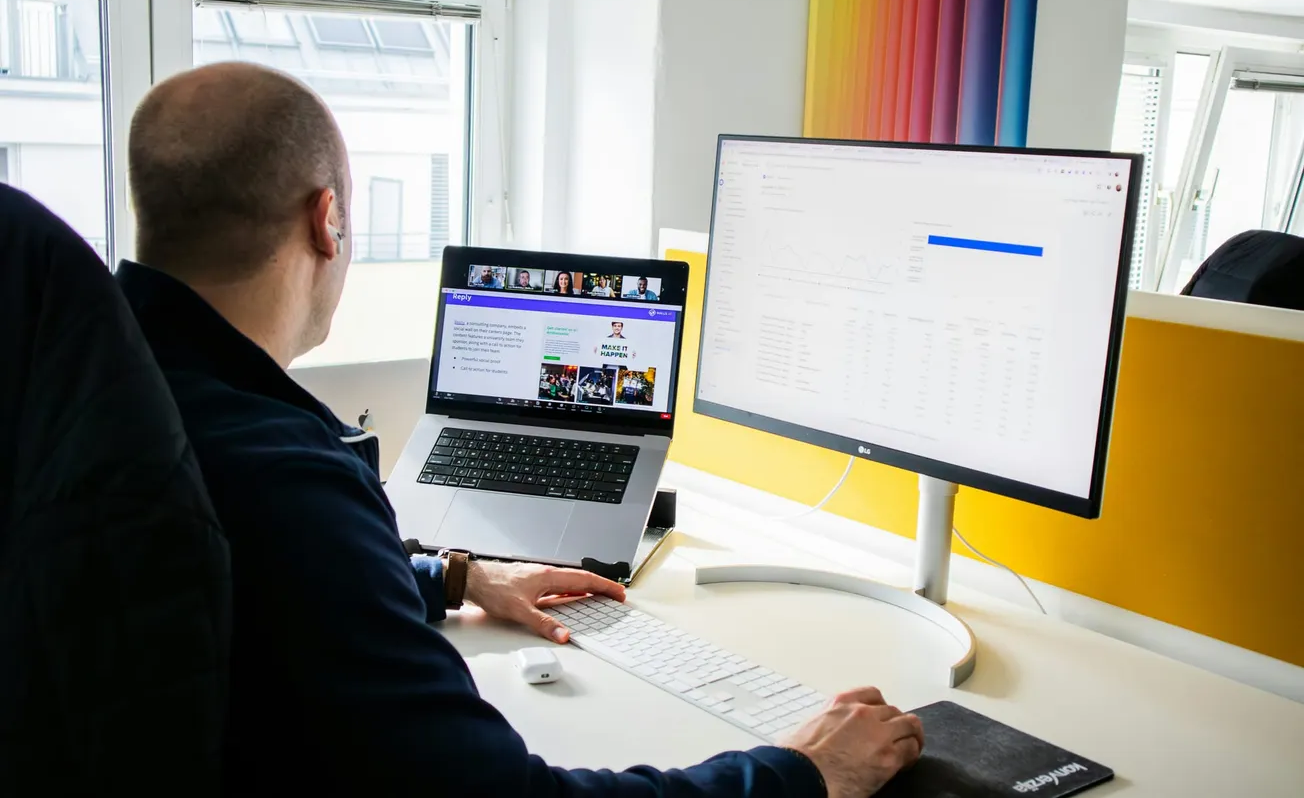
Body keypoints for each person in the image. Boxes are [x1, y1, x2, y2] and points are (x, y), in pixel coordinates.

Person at [116, 61, 924, 797]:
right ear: (327, 221)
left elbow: (245, 595)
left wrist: (454, 579)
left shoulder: (111, 393)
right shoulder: (284, 480)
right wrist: (799, 773)